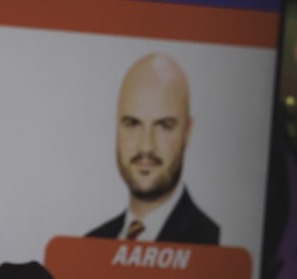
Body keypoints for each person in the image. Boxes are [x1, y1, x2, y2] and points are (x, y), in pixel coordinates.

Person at [86, 52, 219, 244]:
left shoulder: (213, 242)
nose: (146, 146)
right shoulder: (92, 242)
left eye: (164, 126)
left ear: (187, 132)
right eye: (132, 123)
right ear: (117, 128)